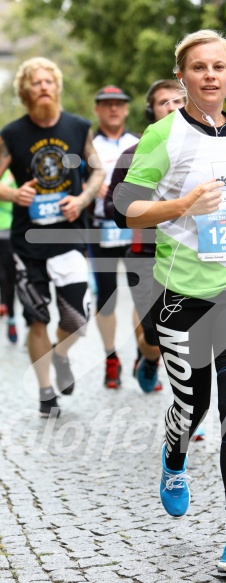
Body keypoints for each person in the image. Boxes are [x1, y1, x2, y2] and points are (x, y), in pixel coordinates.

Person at [113, 29, 226, 575]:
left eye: (219, 66)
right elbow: (127, 206)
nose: (210, 76)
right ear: (184, 74)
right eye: (198, 67)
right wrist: (183, 204)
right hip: (182, 297)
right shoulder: (162, 134)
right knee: (189, 407)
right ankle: (174, 458)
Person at [0, 57, 105, 417]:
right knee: (37, 318)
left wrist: (82, 199)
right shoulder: (11, 135)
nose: (43, 86)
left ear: (57, 87)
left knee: (76, 318)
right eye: (35, 82)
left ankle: (60, 356)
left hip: (69, 237)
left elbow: (97, 172)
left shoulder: (77, 127)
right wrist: (13, 194)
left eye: (48, 81)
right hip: (27, 244)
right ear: (25, 93)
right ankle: (46, 391)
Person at [105, 79, 185, 394]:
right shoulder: (133, 152)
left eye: (178, 101)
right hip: (145, 253)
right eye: (163, 102)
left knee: (187, 332)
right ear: (151, 111)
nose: (172, 107)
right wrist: (148, 207)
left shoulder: (206, 147)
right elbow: (112, 204)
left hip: (189, 251)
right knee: (155, 338)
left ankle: (189, 410)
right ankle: (149, 360)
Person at [90, 85, 139, 389]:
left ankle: (143, 356)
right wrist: (90, 187)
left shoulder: (139, 142)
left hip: (135, 227)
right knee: (106, 299)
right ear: (97, 109)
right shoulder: (87, 145)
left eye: (118, 104)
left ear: (126, 109)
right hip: (100, 227)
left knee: (142, 296)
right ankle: (111, 357)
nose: (113, 109)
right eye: (106, 104)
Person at [0, 170, 18, 343]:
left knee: (9, 278)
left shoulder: (11, 172)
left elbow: (17, 199)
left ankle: (12, 317)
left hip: (7, 231)